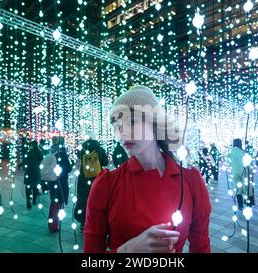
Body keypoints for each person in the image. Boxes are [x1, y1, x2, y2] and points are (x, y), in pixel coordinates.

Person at [84, 85, 211, 253]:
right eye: (117, 126)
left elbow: (201, 247)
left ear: (154, 123)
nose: (123, 133)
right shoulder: (106, 185)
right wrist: (129, 250)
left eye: (131, 122)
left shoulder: (191, 181)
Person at [74, 133, 108, 232]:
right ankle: (94, 222)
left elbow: (79, 158)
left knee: (82, 199)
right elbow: (105, 162)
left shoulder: (82, 148)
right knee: (96, 200)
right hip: (97, 179)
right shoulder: (99, 149)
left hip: (84, 177)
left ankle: (82, 223)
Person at [228, 138, 252, 210]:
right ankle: (248, 203)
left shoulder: (230, 152)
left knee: (238, 189)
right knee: (246, 189)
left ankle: (240, 205)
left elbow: (229, 162)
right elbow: (248, 162)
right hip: (244, 173)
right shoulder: (242, 152)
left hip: (235, 173)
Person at [23, 140, 43, 209]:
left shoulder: (29, 152)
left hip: (28, 171)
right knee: (35, 187)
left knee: (28, 187)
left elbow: (25, 160)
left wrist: (21, 165)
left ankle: (28, 201)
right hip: (36, 171)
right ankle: (34, 200)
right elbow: (41, 160)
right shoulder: (39, 152)